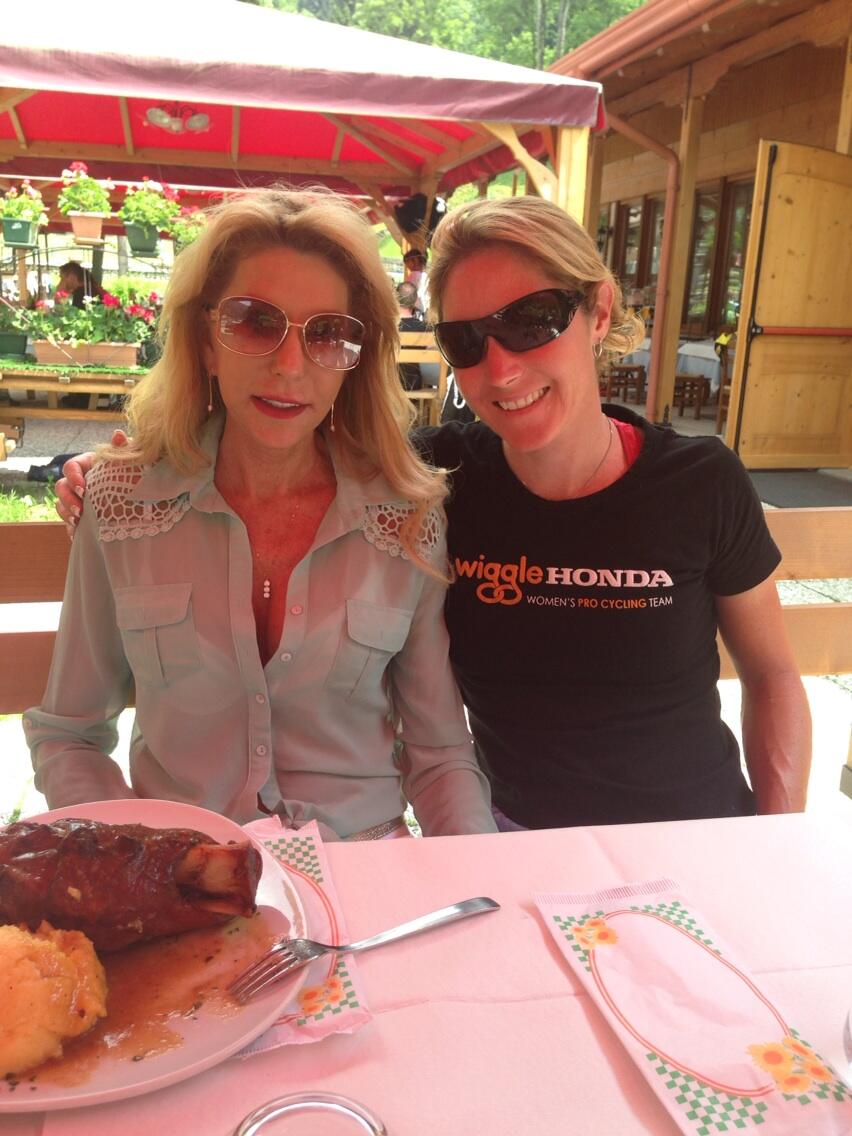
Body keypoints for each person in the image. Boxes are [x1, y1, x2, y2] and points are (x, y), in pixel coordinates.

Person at [56, 196, 811, 832]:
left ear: (599, 310)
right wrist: (114, 474)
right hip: (513, 834)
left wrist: (775, 844)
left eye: (534, 320)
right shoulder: (437, 482)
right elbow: (72, 729)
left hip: (696, 833)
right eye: (466, 339)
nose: (502, 367)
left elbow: (774, 674)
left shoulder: (694, 483)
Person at [28, 186, 496, 842]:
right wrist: (135, 854)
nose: (289, 366)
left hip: (360, 867)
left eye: (327, 334)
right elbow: (70, 735)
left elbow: (440, 755)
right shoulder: (119, 503)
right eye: (254, 322)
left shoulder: (407, 520)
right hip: (183, 871)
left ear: (354, 360)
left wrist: (478, 877)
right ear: (206, 341)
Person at [395, 280, 424, 392]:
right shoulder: (424, 328)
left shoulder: (386, 327)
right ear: (415, 301)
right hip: (414, 384)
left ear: (396, 298)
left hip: (389, 386)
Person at [403, 247, 429, 317]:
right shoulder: (426, 276)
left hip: (415, 310)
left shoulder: (413, 275)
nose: (406, 265)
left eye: (407, 262)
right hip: (425, 310)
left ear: (414, 261)